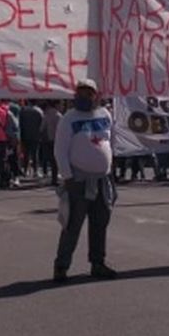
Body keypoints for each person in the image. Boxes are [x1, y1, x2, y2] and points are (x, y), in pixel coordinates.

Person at [52, 79, 116, 283]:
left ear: (96, 95)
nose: (84, 96)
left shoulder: (105, 114)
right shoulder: (69, 119)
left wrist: (109, 168)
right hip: (78, 180)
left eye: (89, 93)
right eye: (81, 92)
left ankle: (98, 263)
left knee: (100, 224)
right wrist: (68, 177)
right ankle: (61, 266)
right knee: (72, 225)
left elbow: (110, 141)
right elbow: (60, 150)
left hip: (102, 179)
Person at [18, 99, 45, 178]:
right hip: (36, 136)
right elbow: (42, 124)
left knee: (26, 154)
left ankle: (25, 171)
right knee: (35, 154)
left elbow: (20, 123)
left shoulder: (23, 111)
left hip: (25, 135)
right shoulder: (39, 111)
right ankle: (36, 171)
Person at [40, 99, 62, 186]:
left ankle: (52, 177)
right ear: (56, 105)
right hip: (57, 140)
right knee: (56, 160)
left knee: (51, 159)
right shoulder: (58, 116)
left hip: (48, 139)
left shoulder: (47, 115)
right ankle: (55, 178)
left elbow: (42, 127)